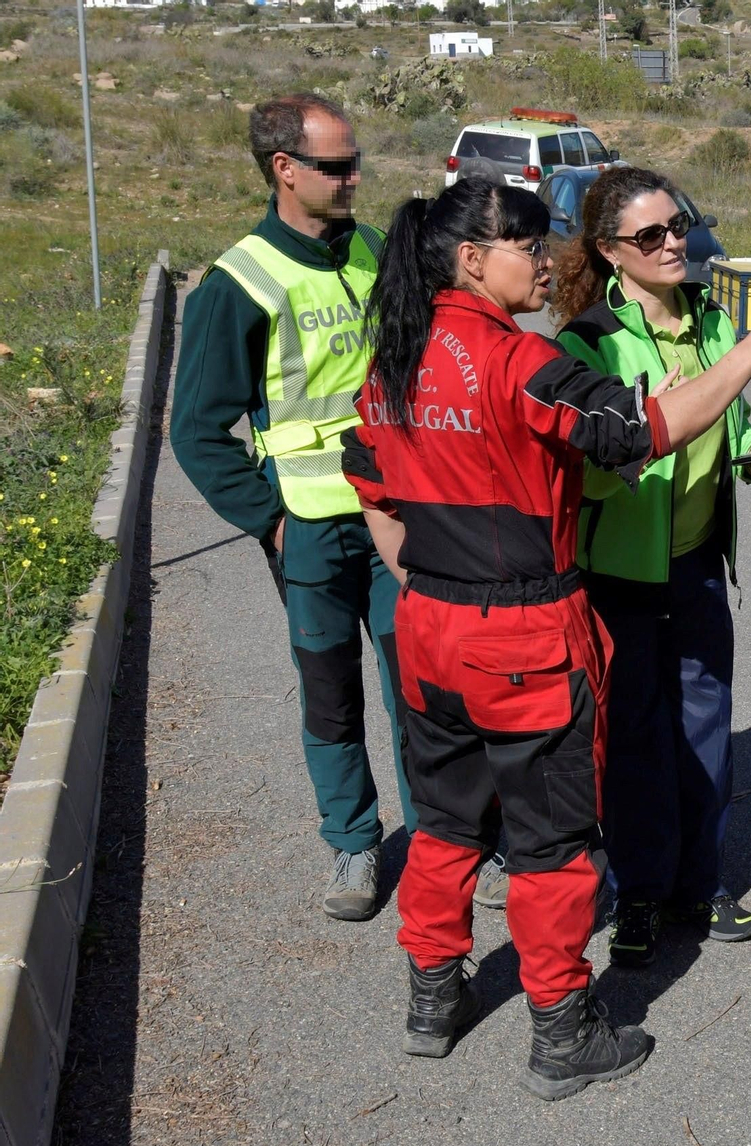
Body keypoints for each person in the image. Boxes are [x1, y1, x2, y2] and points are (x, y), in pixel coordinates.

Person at [341, 177, 751, 1094]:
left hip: (429, 628)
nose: (546, 261)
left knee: (444, 825)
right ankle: (561, 1030)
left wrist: (426, 585)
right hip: (523, 635)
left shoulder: (396, 359)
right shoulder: (520, 362)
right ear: (471, 259)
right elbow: (644, 430)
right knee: (551, 842)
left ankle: (433, 996)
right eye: (526, 244)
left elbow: (371, 488)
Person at [170, 93, 414, 922]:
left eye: (356, 163)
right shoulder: (238, 282)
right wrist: (270, 522)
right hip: (309, 532)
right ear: (284, 169)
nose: (354, 179)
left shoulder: (375, 250)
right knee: (331, 697)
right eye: (336, 166)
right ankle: (353, 844)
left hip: (399, 521)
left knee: (421, 690)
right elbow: (197, 430)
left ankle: (448, 842)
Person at [548, 167, 751, 965]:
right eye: (649, 235)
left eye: (678, 225)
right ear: (611, 251)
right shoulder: (587, 344)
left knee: (707, 729)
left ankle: (700, 884)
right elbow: (583, 471)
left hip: (695, 565)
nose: (672, 243)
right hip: (617, 575)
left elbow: (734, 410)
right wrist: (647, 437)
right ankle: (640, 893)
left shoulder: (711, 318)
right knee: (636, 738)